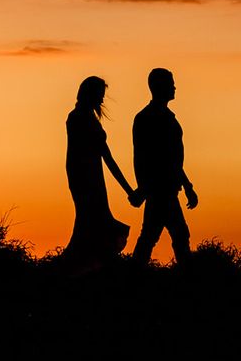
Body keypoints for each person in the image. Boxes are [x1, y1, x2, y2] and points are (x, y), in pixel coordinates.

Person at [63, 75, 139, 265]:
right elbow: (107, 158)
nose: (102, 100)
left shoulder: (83, 117)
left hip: (89, 177)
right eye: (100, 95)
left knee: (90, 224)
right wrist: (129, 191)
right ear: (90, 94)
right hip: (86, 179)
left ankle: (81, 267)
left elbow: (105, 157)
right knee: (91, 224)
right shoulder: (80, 118)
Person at [132, 67, 198, 263]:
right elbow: (145, 157)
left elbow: (173, 160)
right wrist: (145, 187)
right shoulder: (149, 118)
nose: (175, 87)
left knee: (154, 235)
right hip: (160, 188)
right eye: (171, 83)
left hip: (165, 188)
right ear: (160, 87)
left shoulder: (164, 117)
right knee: (174, 235)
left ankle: (132, 274)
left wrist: (187, 186)